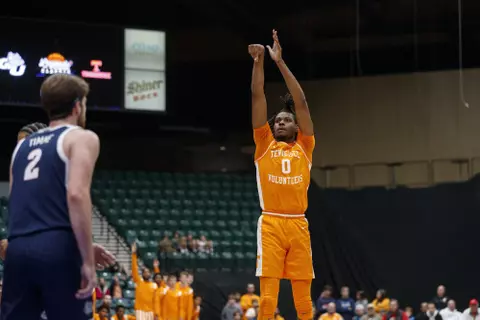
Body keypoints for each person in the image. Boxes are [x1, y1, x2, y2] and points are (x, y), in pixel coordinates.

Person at [1, 74, 112, 320]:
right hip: (57, 246)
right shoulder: (82, 137)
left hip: (18, 247)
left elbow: (18, 199)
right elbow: (76, 194)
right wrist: (85, 257)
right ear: (77, 105)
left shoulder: (22, 146)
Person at [249, 29, 315, 320]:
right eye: (277, 121)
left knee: (303, 302)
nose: (280, 123)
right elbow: (256, 96)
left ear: (296, 128)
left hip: (298, 224)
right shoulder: (263, 144)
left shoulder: (305, 146)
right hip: (272, 223)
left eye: (286, 120)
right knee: (267, 300)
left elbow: (300, 101)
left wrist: (279, 61)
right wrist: (258, 62)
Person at [131, 242, 157, 320]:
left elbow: (156, 300)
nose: (146, 274)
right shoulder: (138, 281)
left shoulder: (154, 285)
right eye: (145, 272)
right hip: (140, 311)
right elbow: (134, 269)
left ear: (150, 274)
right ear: (142, 274)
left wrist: (155, 313)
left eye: (148, 272)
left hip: (151, 311)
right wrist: (133, 254)